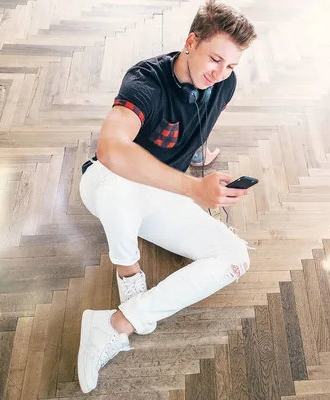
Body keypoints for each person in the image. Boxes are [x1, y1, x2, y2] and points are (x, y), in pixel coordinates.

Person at [76, 0, 257, 393]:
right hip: (107, 184)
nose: (221, 73)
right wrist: (194, 188)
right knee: (122, 180)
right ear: (191, 41)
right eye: (215, 59)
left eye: (231, 65)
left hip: (161, 195)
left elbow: (196, 121)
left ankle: (116, 322)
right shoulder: (146, 81)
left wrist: (195, 156)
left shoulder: (224, 83)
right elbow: (110, 149)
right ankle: (128, 273)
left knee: (235, 257)